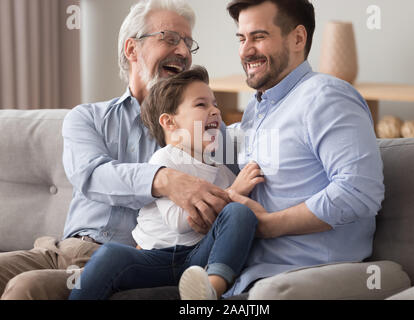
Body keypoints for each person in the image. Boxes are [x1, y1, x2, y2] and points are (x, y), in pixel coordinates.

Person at [0, 0, 232, 300]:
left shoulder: (202, 129)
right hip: (56, 250)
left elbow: (236, 186)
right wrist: (163, 180)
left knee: (27, 287)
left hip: (119, 262)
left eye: (188, 43)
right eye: (171, 39)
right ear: (132, 49)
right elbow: (92, 175)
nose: (184, 52)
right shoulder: (87, 118)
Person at [218, 0, 385, 297]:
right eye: (241, 39)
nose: (245, 50)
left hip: (295, 279)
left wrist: (268, 225)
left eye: (258, 36)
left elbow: (359, 191)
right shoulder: (258, 110)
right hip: (240, 277)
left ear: (297, 38)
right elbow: (213, 145)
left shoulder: (326, 97)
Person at [69, 66, 264, 300]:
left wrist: (237, 195)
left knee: (239, 213)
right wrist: (233, 192)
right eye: (201, 105)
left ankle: (211, 289)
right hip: (157, 259)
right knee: (110, 254)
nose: (214, 111)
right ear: (169, 123)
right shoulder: (165, 160)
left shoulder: (219, 166)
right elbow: (180, 222)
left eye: (216, 104)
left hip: (197, 260)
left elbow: (234, 217)